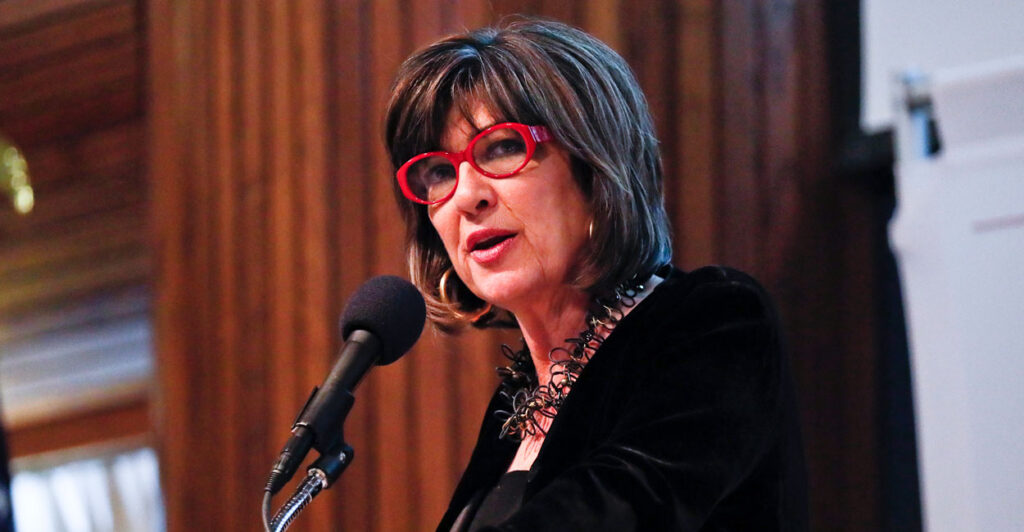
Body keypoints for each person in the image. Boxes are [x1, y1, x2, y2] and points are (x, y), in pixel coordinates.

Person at [384, 18, 807, 531]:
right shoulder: (516, 404)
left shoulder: (713, 322)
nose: (467, 196)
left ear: (594, 164)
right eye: (439, 172)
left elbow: (627, 506)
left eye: (501, 147)